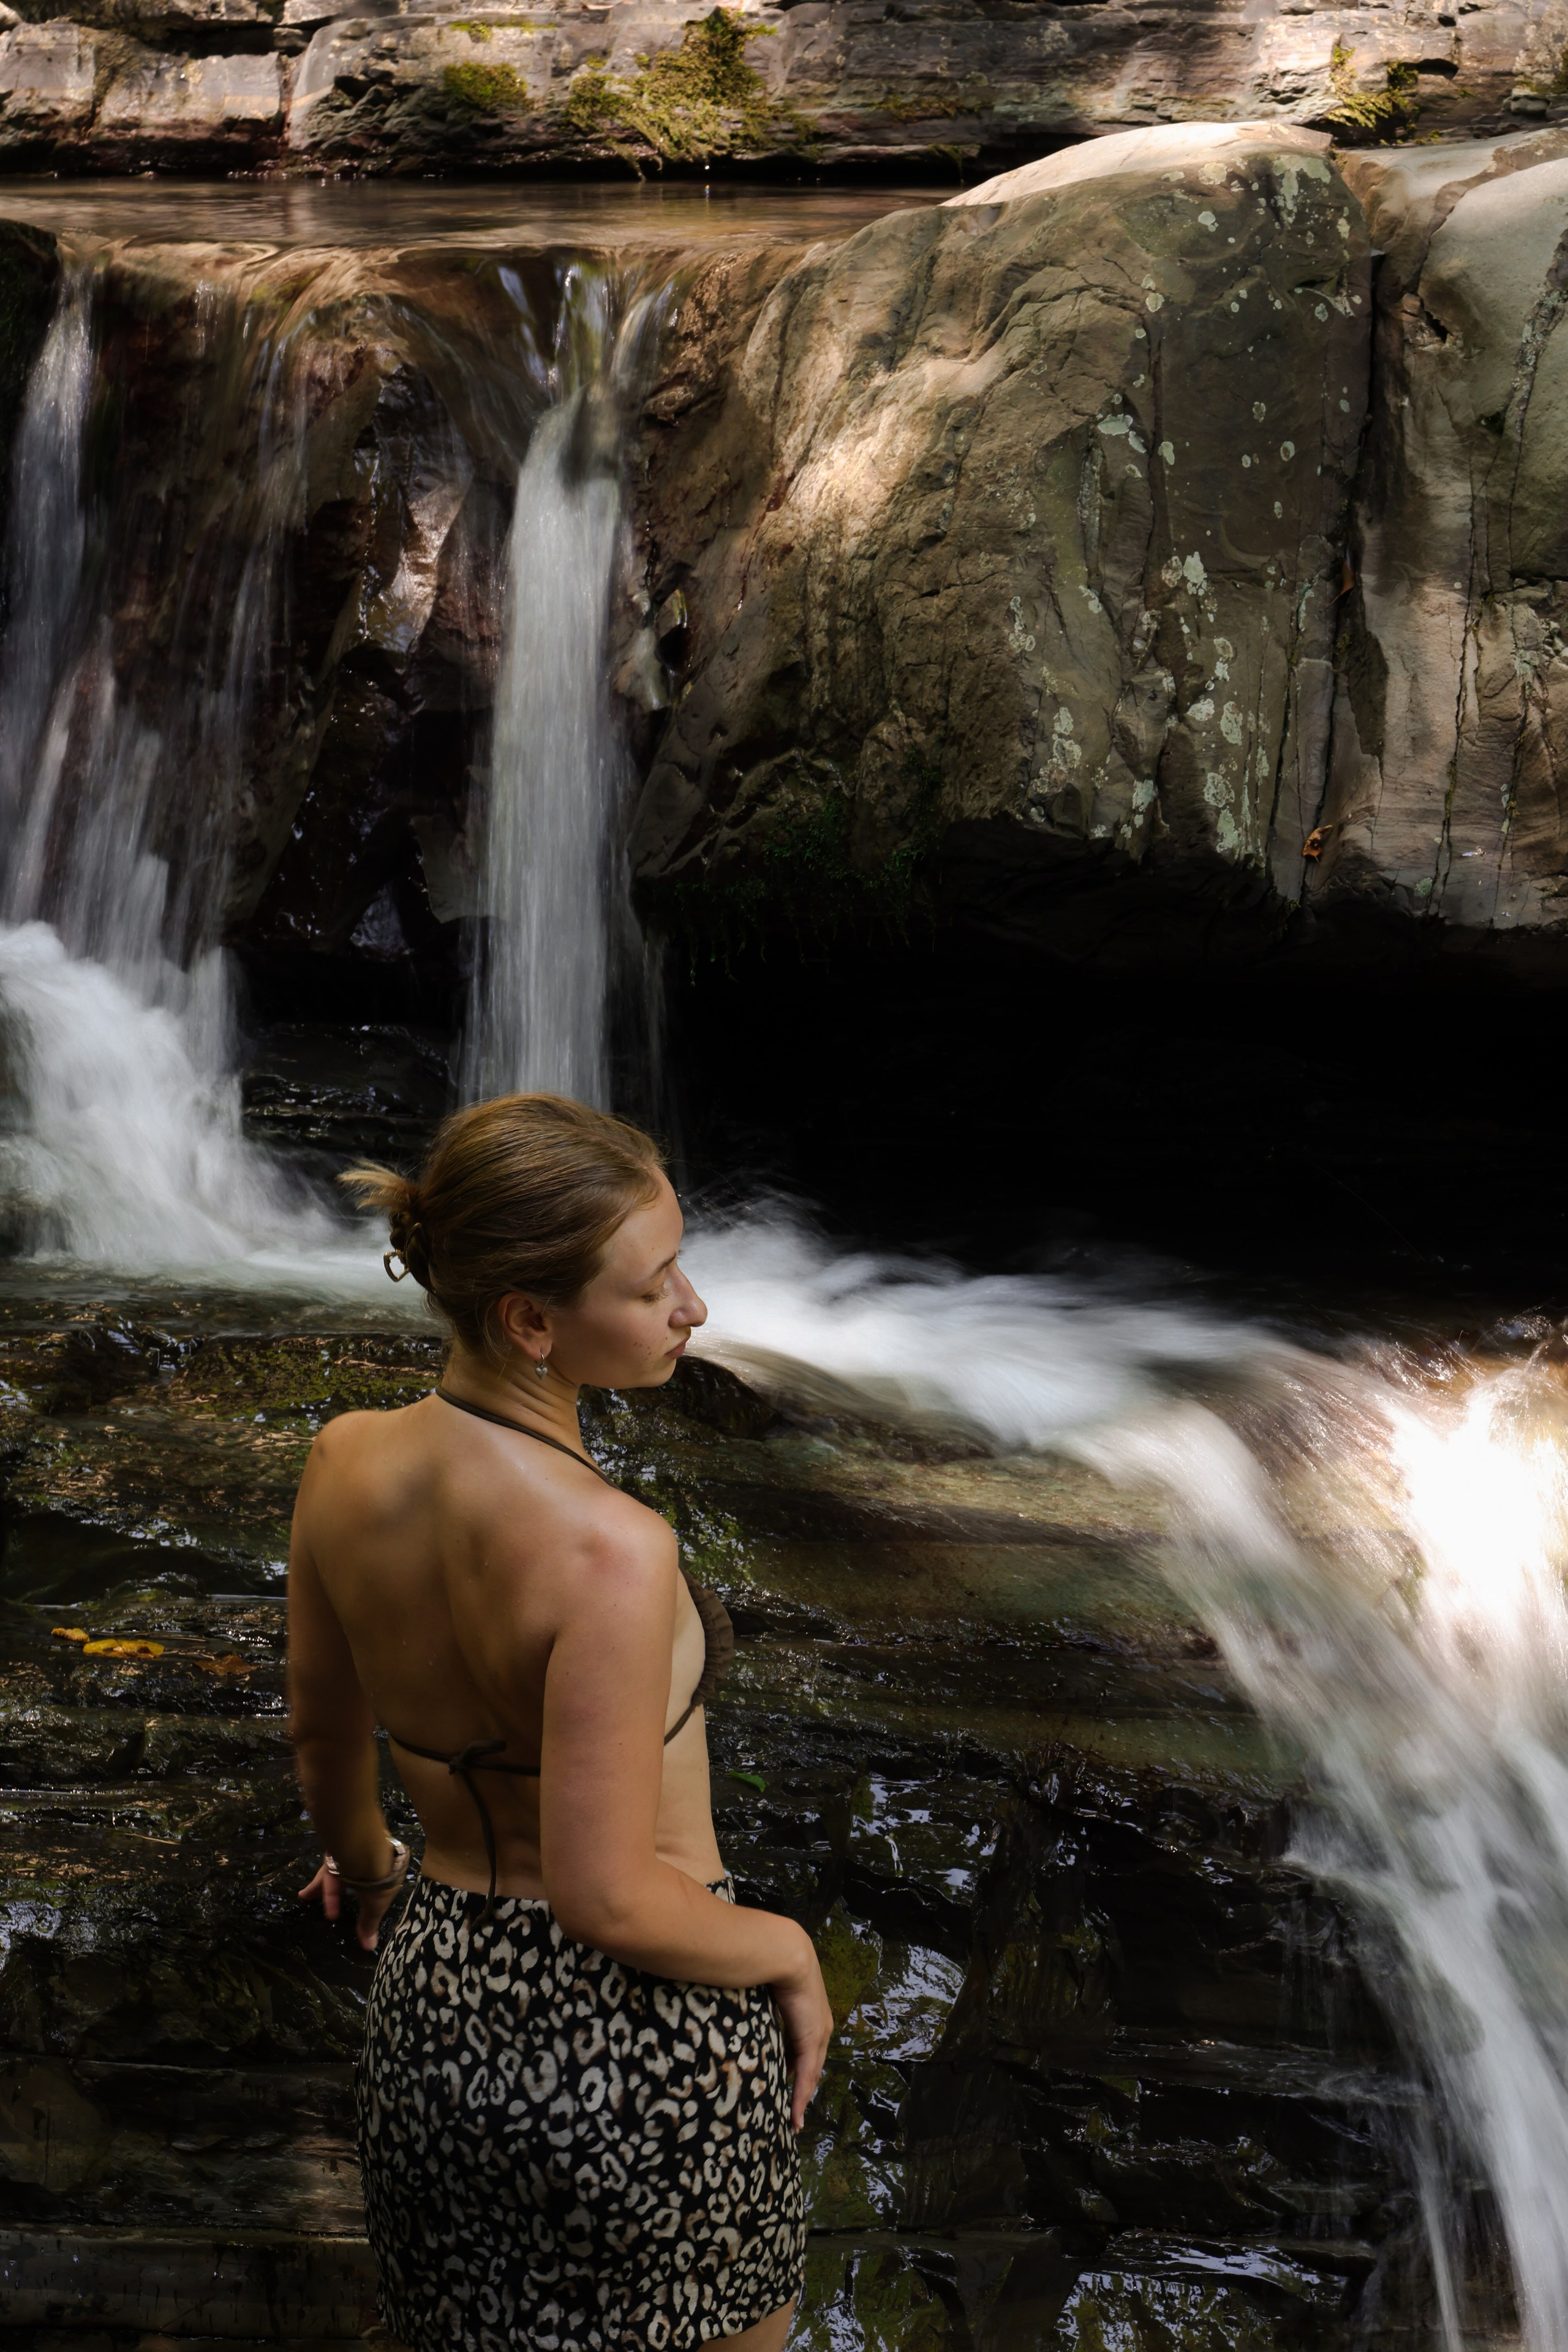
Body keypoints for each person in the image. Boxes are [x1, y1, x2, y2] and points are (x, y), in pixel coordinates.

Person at [287, 1093, 831, 2352]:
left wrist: (372, 1880)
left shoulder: (341, 1461)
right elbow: (604, 1898)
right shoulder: (610, 1550)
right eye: (653, 1288)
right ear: (530, 1320)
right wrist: (789, 1949)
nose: (692, 1307)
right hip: (643, 2045)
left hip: (436, 2026)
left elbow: (324, 1739)